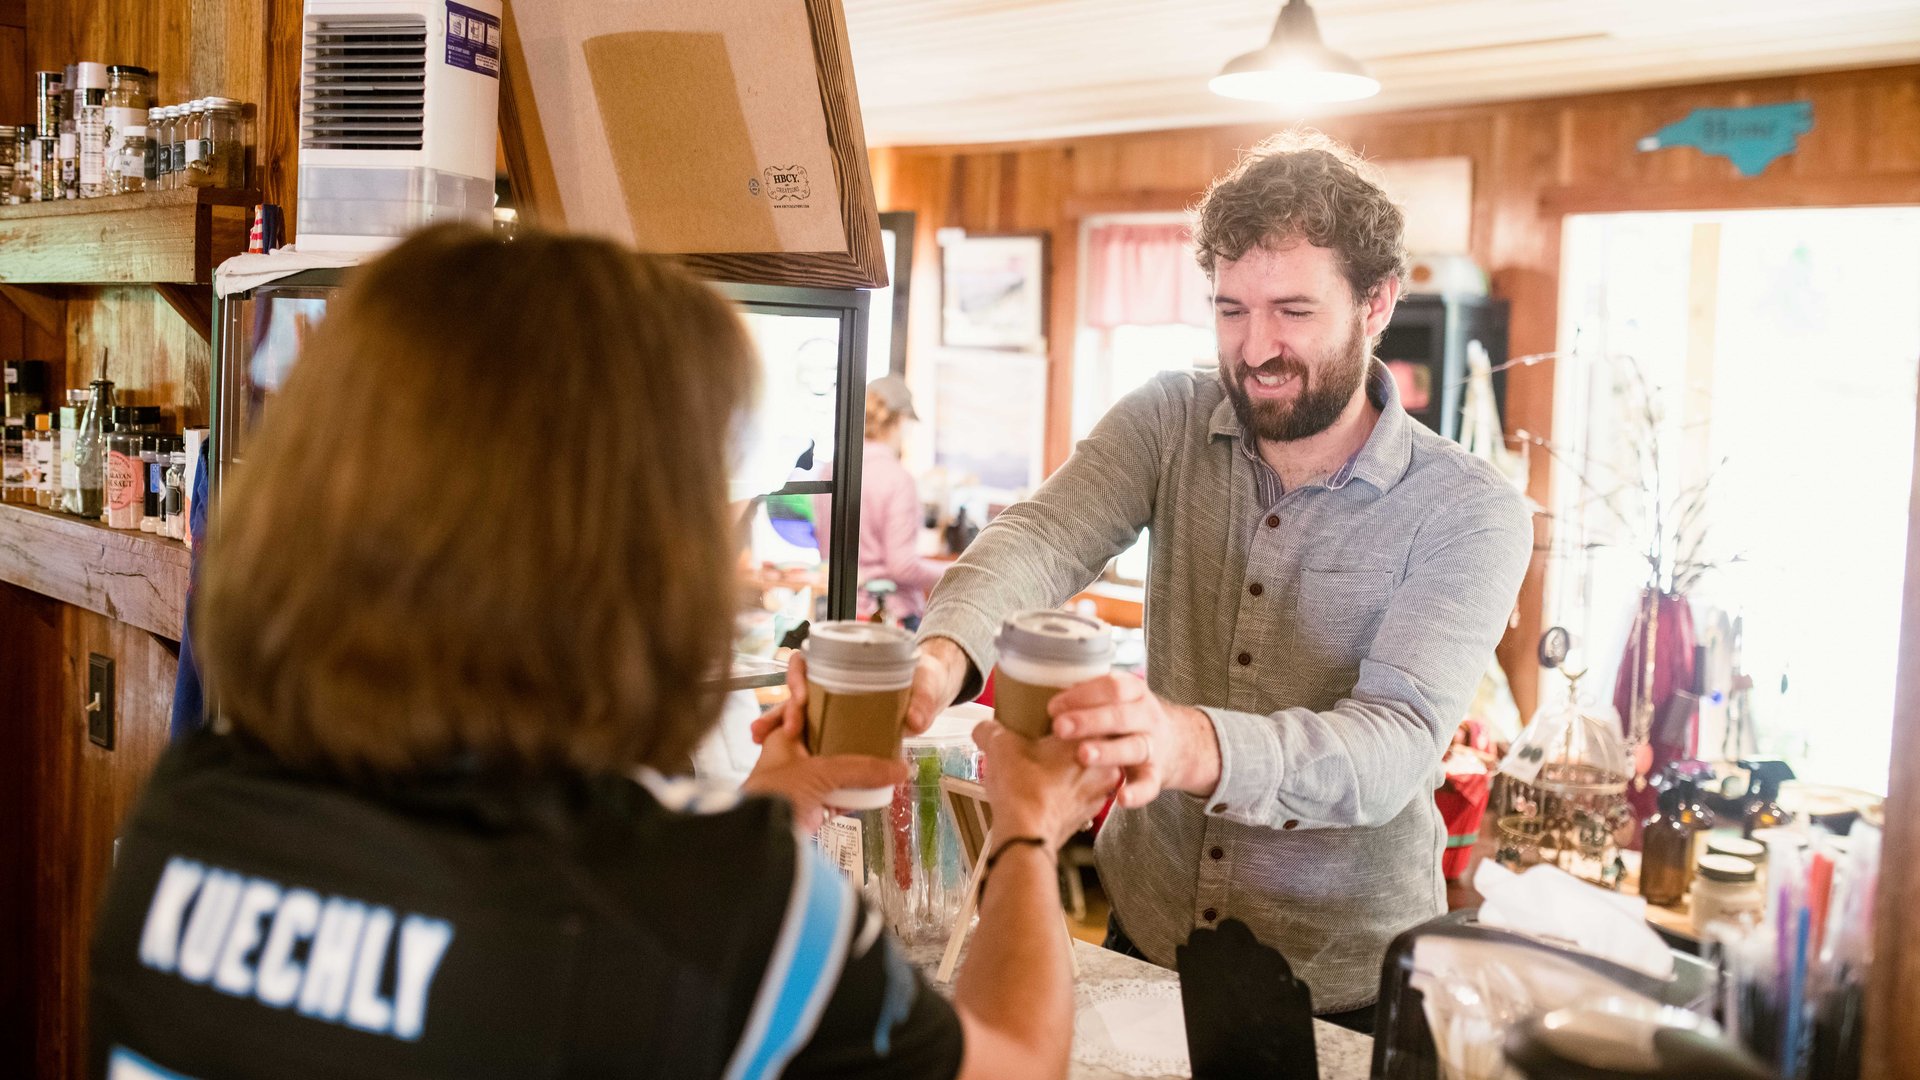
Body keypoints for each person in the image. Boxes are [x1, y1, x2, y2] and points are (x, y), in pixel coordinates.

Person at [88, 226, 1119, 1080]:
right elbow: (1014, 1064)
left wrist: (754, 810)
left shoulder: (193, 811)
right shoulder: (736, 908)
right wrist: (1028, 829)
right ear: (637, 552)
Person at [904, 131, 1535, 1031]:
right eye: (1230, 309)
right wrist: (937, 661)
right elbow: (1040, 539)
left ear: (1378, 302)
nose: (1256, 347)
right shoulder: (1168, 415)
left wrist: (1185, 743)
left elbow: (1392, 744)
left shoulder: (1468, 510)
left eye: (1292, 310)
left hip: (1338, 986)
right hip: (1146, 924)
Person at [817, 375, 949, 627]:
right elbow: (902, 566)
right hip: (885, 617)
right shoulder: (898, 479)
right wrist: (956, 571)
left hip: (832, 609)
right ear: (899, 420)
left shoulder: (831, 470)